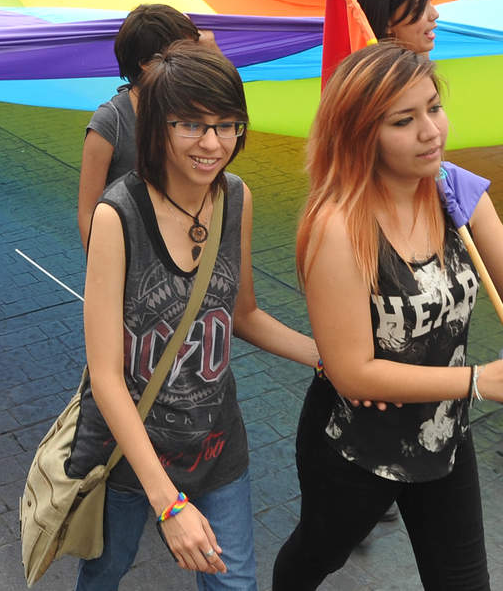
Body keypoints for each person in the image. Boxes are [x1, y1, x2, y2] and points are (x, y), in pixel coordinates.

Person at [271, 43, 503, 590]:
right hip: (355, 446)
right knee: (316, 554)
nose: (431, 130)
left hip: (443, 435)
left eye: (434, 107)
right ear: (360, 134)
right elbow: (352, 373)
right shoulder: (338, 225)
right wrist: (479, 381)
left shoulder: (454, 189)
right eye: (404, 120)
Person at [69, 39, 319, 590]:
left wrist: (326, 359)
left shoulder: (236, 198)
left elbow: (244, 313)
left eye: (228, 125)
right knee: (106, 568)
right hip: (131, 455)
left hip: (215, 445)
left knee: (235, 583)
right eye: (192, 125)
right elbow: (107, 376)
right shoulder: (119, 215)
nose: (213, 143)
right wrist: (169, 503)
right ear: (157, 128)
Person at [78, 4, 204, 248]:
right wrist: (103, 274)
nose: (194, 61)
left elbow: (230, 104)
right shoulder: (111, 122)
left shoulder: (194, 108)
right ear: (146, 63)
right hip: (130, 254)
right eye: (184, 52)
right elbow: (88, 212)